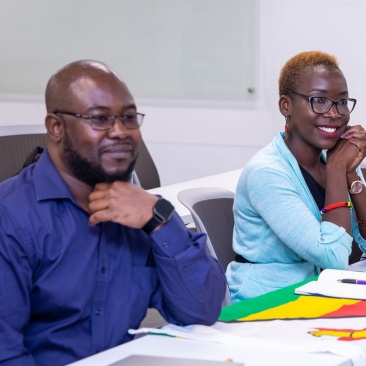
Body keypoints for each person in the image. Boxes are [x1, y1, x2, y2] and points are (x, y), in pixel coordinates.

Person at [0, 60, 227, 366]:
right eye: (100, 118)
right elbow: (6, 354)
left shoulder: (142, 211)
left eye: (129, 117)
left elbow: (200, 311)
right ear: (56, 127)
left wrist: (160, 218)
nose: (120, 131)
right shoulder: (12, 216)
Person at [226, 51, 366, 303]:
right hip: (268, 303)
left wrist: (349, 171)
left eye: (341, 102)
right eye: (318, 100)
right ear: (286, 105)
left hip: (322, 293)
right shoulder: (267, 172)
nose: (333, 113)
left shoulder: (335, 158)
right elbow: (332, 257)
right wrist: (337, 168)